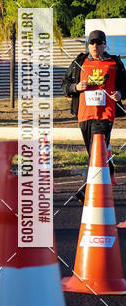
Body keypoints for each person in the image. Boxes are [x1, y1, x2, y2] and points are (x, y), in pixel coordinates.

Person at [61, 29, 126, 202]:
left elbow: (124, 86)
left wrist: (120, 93)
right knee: (94, 153)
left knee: (96, 153)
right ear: (88, 45)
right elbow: (65, 85)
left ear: (105, 44)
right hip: (84, 114)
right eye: (92, 43)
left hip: (105, 114)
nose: (95, 46)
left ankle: (85, 191)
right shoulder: (80, 62)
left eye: (98, 43)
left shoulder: (114, 63)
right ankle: (109, 164)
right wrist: (76, 87)